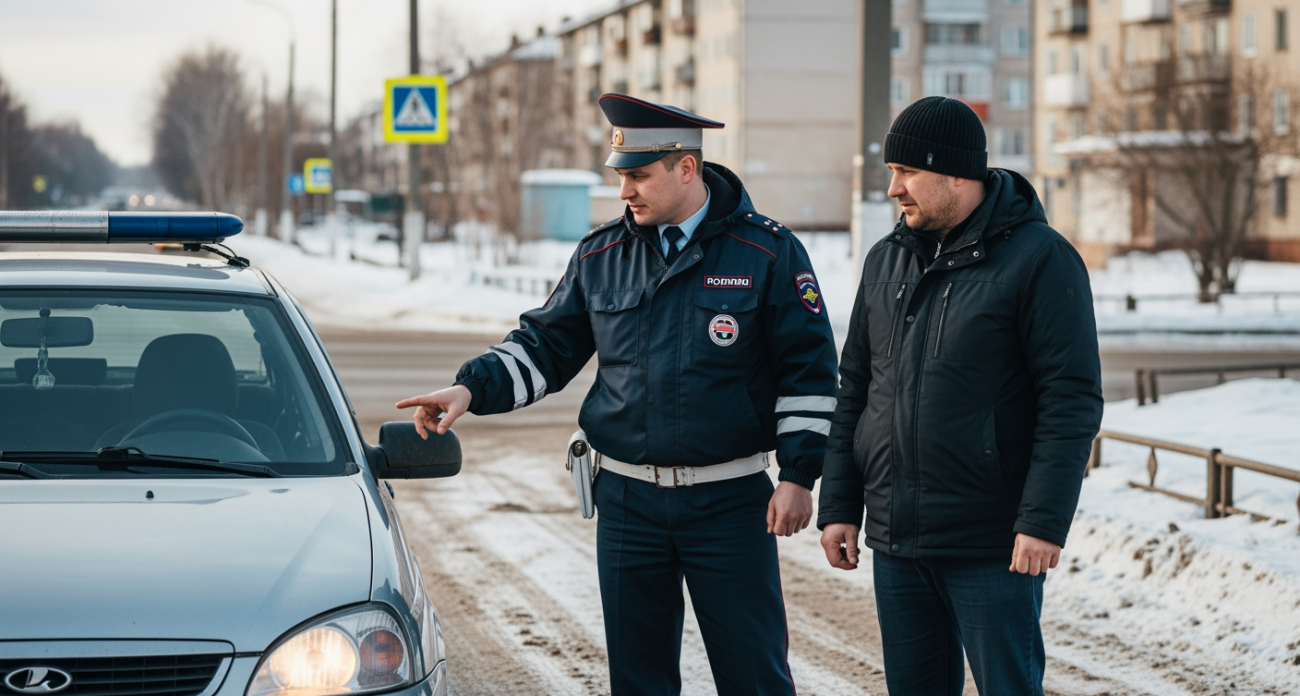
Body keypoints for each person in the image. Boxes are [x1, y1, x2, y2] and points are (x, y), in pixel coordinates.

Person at [397, 93, 838, 696]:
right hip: (629, 503)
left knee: (754, 676)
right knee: (637, 680)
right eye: (620, 176)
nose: (624, 191)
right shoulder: (601, 254)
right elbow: (546, 347)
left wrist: (799, 475)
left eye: (639, 176)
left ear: (687, 168)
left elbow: (809, 372)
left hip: (730, 504)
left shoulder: (767, 252)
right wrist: (471, 388)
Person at [817, 96, 1104, 695]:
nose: (893, 189)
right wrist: (840, 503)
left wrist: (1043, 522)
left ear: (955, 173)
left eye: (907, 171)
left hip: (993, 545)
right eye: (891, 172)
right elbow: (857, 389)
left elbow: (1070, 401)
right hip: (898, 543)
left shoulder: (1040, 260)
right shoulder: (886, 259)